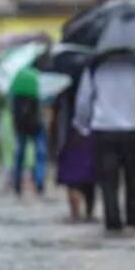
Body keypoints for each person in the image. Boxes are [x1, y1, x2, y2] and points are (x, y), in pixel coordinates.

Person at [74, 50, 135, 233]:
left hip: (104, 130)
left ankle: (112, 223)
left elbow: (83, 101)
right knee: (133, 178)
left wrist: (82, 125)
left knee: (108, 180)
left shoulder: (95, 67)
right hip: (133, 130)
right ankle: (132, 221)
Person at [53, 86, 96, 223]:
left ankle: (76, 215)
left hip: (71, 138)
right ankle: (88, 215)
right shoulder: (92, 84)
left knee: (73, 181)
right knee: (89, 180)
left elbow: (57, 118)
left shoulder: (63, 90)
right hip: (89, 136)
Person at [11, 83, 47, 196]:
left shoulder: (16, 90)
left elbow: (14, 112)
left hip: (22, 126)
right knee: (40, 155)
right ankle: (39, 182)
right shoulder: (37, 87)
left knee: (20, 155)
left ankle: (17, 182)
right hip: (37, 126)